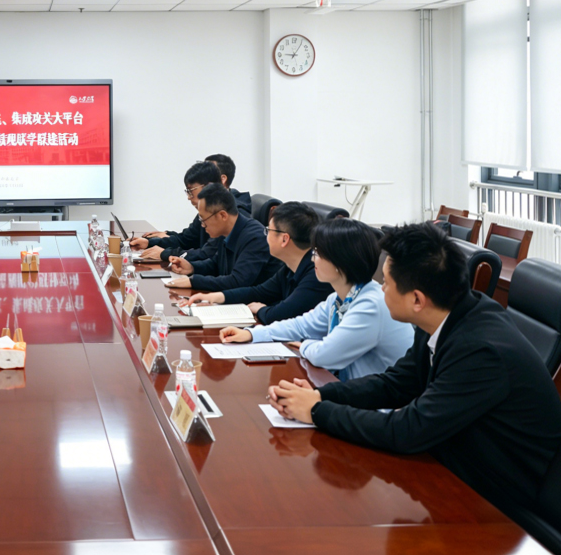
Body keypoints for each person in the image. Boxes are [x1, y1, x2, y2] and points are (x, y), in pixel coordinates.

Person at [269, 223, 561, 536]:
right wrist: (323, 396)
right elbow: (395, 383)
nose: (380, 289)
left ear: (417, 299)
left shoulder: (480, 351)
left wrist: (316, 412)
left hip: (498, 500)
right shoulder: (446, 316)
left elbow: (409, 430)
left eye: (387, 282)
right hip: (454, 462)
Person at [219, 217, 412, 381]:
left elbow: (325, 355)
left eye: (318, 253)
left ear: (340, 261)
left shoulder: (370, 305)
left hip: (380, 407)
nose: (312, 259)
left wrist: (305, 345)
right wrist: (252, 334)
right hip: (350, 393)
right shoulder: (339, 298)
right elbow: (300, 326)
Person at [185, 202, 333, 324]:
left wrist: (262, 310)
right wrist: (216, 297)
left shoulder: (317, 273)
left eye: (268, 230)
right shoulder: (290, 266)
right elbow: (259, 292)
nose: (265, 235)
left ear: (284, 239)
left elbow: (281, 314)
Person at [166, 184, 282, 292]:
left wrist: (193, 281)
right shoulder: (226, 231)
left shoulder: (255, 238)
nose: (202, 225)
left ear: (222, 215)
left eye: (203, 219)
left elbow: (237, 281)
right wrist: (192, 267)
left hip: (256, 304)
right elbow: (215, 264)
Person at [128, 161, 223, 263]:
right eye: (187, 192)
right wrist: (148, 243)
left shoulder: (227, 213)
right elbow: (184, 240)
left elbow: (207, 254)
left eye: (191, 191)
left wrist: (166, 254)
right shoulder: (206, 211)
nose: (189, 197)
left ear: (209, 187)